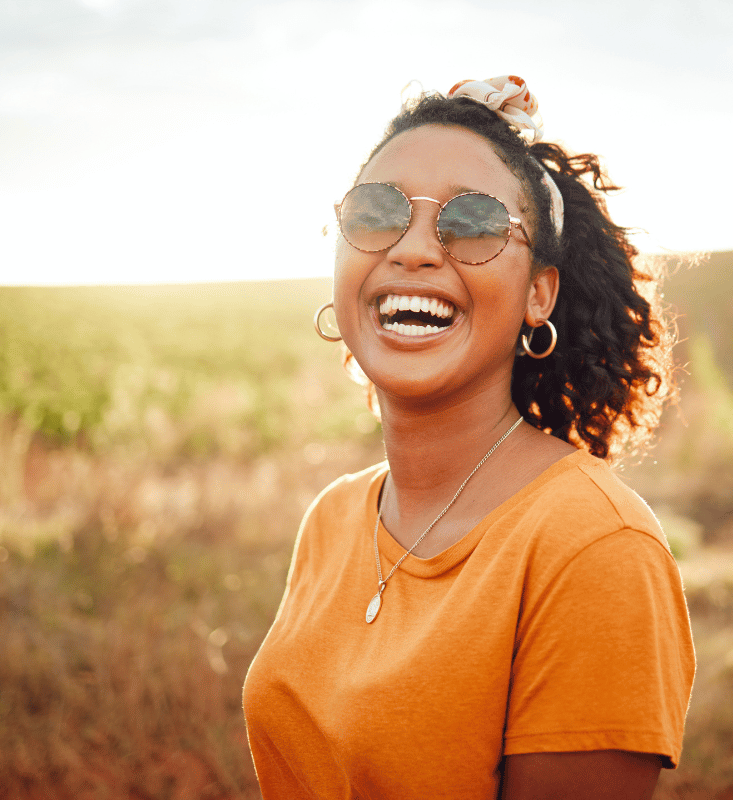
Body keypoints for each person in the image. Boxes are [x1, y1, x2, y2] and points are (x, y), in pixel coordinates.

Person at [243, 75, 695, 800]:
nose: (414, 249)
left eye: (474, 222)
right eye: (376, 212)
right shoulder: (333, 518)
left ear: (538, 293)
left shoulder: (594, 549)